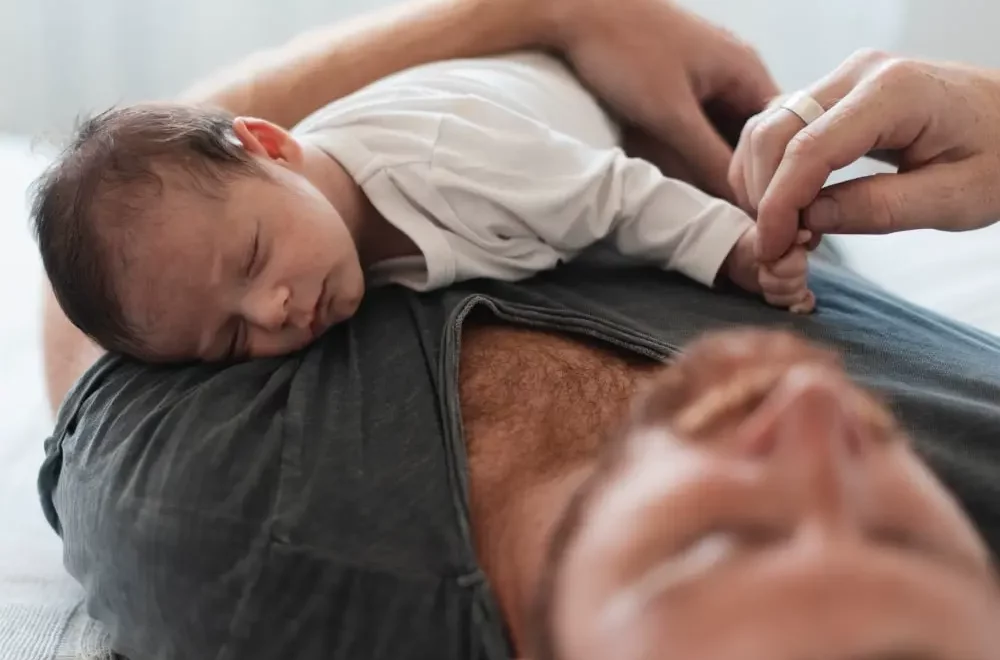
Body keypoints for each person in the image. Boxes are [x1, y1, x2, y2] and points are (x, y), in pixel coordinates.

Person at [36, 1, 1000, 659]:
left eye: (720, 543)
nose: (807, 417)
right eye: (906, 538)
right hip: (707, 196)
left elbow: (125, 239)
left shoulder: (223, 535)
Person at [31, 53, 812, 364]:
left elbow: (616, 193)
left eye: (253, 258)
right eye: (230, 338)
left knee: (719, 152)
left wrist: (735, 248)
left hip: (584, 100)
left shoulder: (449, 167)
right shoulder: (296, 230)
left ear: (271, 146)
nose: (271, 313)